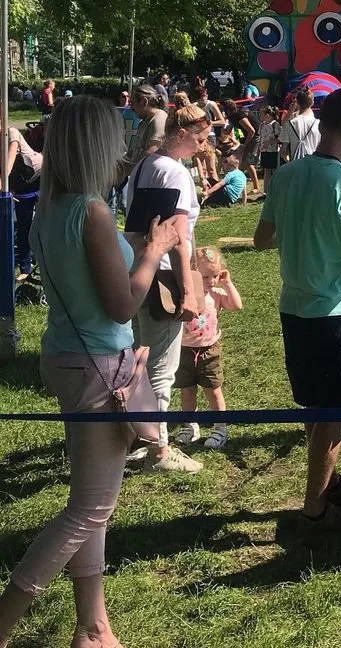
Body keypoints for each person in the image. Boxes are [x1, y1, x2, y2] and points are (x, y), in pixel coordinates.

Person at [0, 96, 182, 648]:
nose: (124, 148)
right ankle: (5, 620)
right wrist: (154, 249)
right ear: (97, 146)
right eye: (116, 138)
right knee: (88, 508)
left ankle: (93, 626)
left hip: (66, 354)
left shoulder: (55, 206)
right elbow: (124, 305)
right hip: (101, 363)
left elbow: (83, 270)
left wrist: (131, 247)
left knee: (93, 501)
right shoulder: (93, 212)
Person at [254, 88, 341, 530]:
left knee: (315, 404)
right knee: (334, 414)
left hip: (295, 308)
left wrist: (302, 230)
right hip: (337, 311)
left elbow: (261, 239)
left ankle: (328, 484)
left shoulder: (287, 176)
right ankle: (314, 509)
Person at [124, 104, 210, 473]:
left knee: (139, 362)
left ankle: (139, 437)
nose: (204, 146)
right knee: (162, 366)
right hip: (162, 277)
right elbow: (178, 237)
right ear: (180, 133)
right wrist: (189, 290)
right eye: (200, 138)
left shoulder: (145, 165)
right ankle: (159, 449)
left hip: (137, 271)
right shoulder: (174, 172)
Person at [174, 246, 242, 451]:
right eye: (205, 277)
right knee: (187, 391)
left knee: (213, 390)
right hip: (184, 351)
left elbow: (237, 305)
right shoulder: (186, 295)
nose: (211, 281)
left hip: (209, 351)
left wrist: (227, 282)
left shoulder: (217, 293)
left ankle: (220, 427)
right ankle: (190, 425)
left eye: (215, 275)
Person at [7, 124, 42, 282]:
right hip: (20, 182)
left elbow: (7, 166)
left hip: (37, 178)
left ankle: (37, 266)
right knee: (23, 227)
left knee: (33, 225)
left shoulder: (11, 133)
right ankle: (25, 269)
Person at [279, 88, 320, 161]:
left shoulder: (290, 123)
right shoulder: (318, 124)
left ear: (297, 102)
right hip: (313, 165)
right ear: (312, 103)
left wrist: (289, 162)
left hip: (296, 165)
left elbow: (283, 151)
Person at [256, 105, 282, 193]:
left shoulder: (275, 125)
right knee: (266, 170)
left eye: (261, 114)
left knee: (275, 171)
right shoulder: (262, 125)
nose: (260, 117)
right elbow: (260, 139)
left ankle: (277, 190)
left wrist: (271, 142)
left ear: (267, 115)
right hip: (264, 151)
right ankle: (266, 191)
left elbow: (280, 138)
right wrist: (258, 150)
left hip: (273, 151)